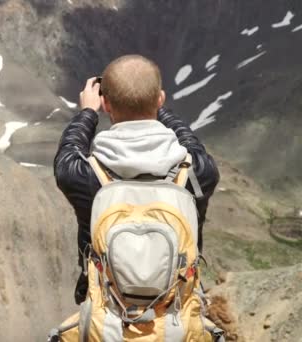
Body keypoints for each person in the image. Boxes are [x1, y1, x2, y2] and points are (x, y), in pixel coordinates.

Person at [53, 55, 220, 304]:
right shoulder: (198, 173)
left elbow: (68, 153)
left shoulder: (84, 177)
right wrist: (154, 105)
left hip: (107, 314)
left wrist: (88, 111)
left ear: (106, 105)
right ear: (160, 98)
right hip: (178, 312)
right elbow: (191, 144)